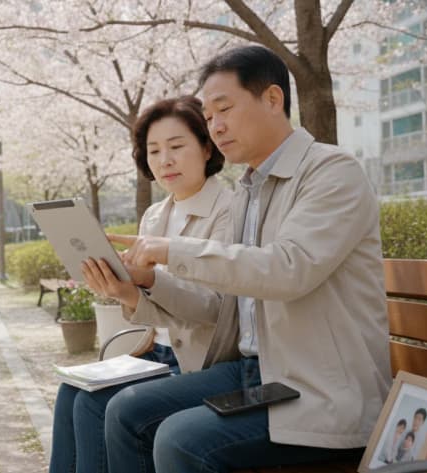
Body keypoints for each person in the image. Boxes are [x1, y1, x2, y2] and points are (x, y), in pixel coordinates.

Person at [104, 45, 391, 473]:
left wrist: (170, 249)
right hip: (254, 375)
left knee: (180, 440)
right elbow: (222, 307)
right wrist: (145, 281)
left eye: (224, 110)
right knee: (124, 411)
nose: (215, 127)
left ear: (273, 100)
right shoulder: (250, 191)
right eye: (208, 114)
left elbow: (287, 269)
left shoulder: (332, 172)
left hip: (319, 392)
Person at [48, 96, 239, 473]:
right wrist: (125, 291)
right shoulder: (155, 215)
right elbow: (153, 309)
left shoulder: (228, 211)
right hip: (155, 356)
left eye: (176, 146)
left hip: (202, 363)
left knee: (94, 404)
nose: (164, 160)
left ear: (206, 147)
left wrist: (150, 280)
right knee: (72, 391)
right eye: (153, 150)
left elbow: (217, 309)